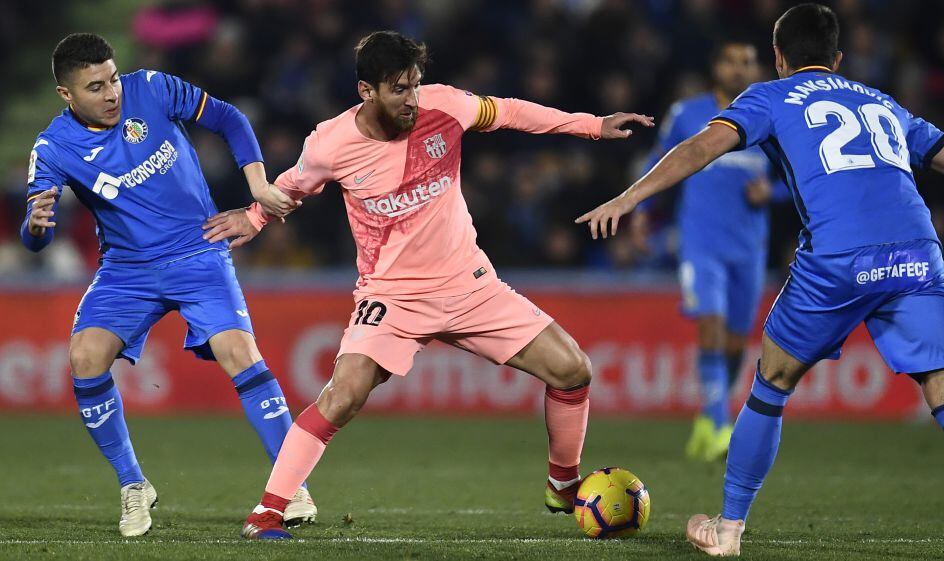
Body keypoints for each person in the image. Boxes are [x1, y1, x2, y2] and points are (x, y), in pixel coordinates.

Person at [577, 5, 944, 559]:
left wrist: (629, 198)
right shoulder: (884, 103)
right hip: (918, 256)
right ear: (838, 60)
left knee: (771, 383)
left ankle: (730, 530)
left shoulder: (770, 96)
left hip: (838, 259)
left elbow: (699, 148)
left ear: (777, 57)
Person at [199, 30, 652, 540]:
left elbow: (510, 111)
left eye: (415, 84)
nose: (412, 98)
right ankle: (267, 512)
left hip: (470, 284)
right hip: (391, 297)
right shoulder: (330, 142)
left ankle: (562, 484)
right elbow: (293, 185)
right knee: (343, 395)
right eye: (399, 89)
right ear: (366, 91)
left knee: (573, 369)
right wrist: (255, 217)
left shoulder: (447, 106)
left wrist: (592, 126)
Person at [21, 33, 315, 536]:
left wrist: (258, 187)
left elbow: (229, 118)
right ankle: (134, 486)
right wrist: (36, 226)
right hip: (126, 269)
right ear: (67, 96)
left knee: (239, 351)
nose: (112, 93)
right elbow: (35, 239)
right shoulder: (53, 146)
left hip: (197, 249)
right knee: (85, 356)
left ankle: (291, 488)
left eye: (113, 78)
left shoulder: (152, 88)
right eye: (96, 87)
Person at [634, 39, 780, 462]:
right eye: (732, 61)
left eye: (748, 62)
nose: (739, 69)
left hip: (749, 247)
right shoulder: (688, 114)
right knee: (710, 326)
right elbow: (658, 163)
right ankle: (719, 425)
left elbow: (798, 180)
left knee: (736, 343)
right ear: (716, 67)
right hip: (701, 243)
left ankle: (708, 416)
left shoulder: (769, 116)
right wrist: (642, 211)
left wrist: (771, 191)